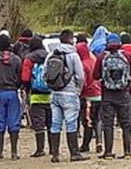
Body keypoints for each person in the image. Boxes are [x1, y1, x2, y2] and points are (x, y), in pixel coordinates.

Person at [46, 29, 88, 162]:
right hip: (69, 93)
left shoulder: (51, 54)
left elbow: (44, 75)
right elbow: (80, 76)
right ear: (71, 40)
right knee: (71, 123)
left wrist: (52, 87)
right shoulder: (73, 55)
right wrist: (78, 90)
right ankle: (74, 153)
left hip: (55, 93)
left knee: (55, 123)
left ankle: (55, 154)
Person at [93, 33, 131, 159]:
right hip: (124, 93)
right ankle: (127, 152)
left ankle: (108, 152)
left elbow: (95, 75)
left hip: (107, 94)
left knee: (108, 123)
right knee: (126, 123)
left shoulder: (102, 57)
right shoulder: (127, 56)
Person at [0, 33, 23, 160]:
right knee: (14, 122)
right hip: (12, 93)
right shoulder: (17, 59)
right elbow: (20, 77)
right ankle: (14, 152)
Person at [21, 36, 52, 157]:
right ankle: (53, 148)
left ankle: (40, 149)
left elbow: (25, 77)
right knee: (50, 122)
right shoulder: (49, 56)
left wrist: (27, 88)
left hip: (35, 95)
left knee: (38, 122)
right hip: (50, 94)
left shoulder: (29, 58)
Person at [77, 39, 101, 153]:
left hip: (88, 96)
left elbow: (83, 82)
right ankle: (99, 142)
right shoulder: (94, 61)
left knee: (88, 121)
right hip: (99, 95)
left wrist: (79, 92)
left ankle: (85, 145)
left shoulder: (82, 65)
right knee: (97, 119)